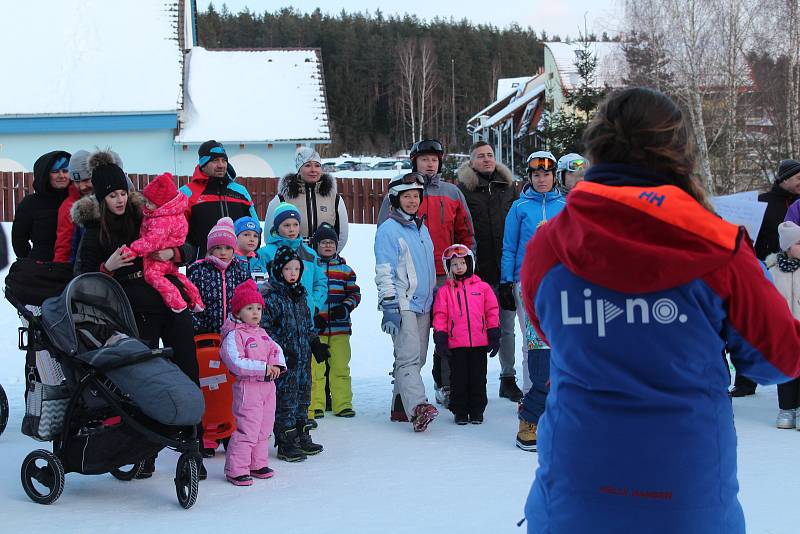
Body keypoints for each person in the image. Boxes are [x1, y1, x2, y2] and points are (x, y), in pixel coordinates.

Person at [519, 87, 800, 533]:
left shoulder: (548, 246)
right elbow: (778, 357)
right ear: (679, 150)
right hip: (687, 499)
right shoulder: (719, 246)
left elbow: (550, 330)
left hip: (575, 498)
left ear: (598, 147)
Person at [72, 150, 205, 480]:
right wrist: (108, 268)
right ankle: (144, 452)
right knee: (144, 384)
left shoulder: (145, 215)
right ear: (101, 199)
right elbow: (81, 279)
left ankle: (193, 447)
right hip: (133, 313)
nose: (118, 200)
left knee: (188, 373)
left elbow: (189, 246)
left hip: (172, 304)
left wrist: (172, 252)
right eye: (111, 196)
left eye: (121, 193)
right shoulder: (93, 232)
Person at [378, 139, 475, 408]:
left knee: (447, 333)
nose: (430, 164)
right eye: (424, 160)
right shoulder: (400, 193)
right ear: (415, 162)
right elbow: (385, 240)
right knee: (411, 343)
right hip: (409, 281)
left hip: (445, 274)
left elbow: (466, 231)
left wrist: (463, 266)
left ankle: (445, 384)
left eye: (434, 159)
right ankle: (403, 398)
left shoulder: (452, 192)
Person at [457, 141, 521, 402]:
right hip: (476, 271)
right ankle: (474, 381)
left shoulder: (508, 188)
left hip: (505, 271)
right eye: (480, 156)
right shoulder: (463, 190)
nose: (486, 160)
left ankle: (508, 378)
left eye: (490, 155)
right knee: (473, 328)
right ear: (471, 162)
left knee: (507, 328)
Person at [731, 158, 800, 397]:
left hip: (795, 271)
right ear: (784, 179)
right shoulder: (763, 203)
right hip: (765, 268)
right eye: (798, 178)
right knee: (755, 321)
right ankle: (745, 381)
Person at [375, 173, 438, 432]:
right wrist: (389, 305)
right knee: (409, 357)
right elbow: (384, 269)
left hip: (423, 302)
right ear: (396, 199)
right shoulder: (388, 230)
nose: (412, 201)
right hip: (402, 301)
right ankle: (418, 408)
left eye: (416, 196)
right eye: (406, 196)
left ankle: (399, 405)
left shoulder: (420, 227)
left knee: (416, 357)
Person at [499, 151, 566, 396]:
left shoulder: (566, 206)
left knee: (558, 339)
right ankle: (531, 393)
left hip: (559, 283)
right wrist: (506, 281)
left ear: (554, 176)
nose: (541, 179)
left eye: (546, 174)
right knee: (532, 340)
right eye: (536, 175)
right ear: (529, 177)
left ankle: (557, 390)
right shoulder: (520, 207)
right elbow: (509, 246)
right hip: (525, 282)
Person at [261, 246, 328, 461]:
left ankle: (301, 434)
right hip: (284, 362)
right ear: (279, 270)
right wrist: (280, 349)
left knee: (303, 397)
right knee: (285, 401)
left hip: (303, 361)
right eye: (288, 268)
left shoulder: (300, 296)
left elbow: (306, 325)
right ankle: (285, 441)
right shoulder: (272, 298)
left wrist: (315, 342)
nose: (292, 273)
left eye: (297, 269)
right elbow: (265, 329)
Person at [219, 279, 286, 486]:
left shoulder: (262, 333)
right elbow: (235, 362)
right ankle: (236, 468)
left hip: (268, 388)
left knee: (264, 428)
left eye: (258, 308)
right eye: (249, 308)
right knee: (248, 428)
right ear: (238, 312)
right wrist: (264, 369)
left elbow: (276, 350)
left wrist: (277, 365)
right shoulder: (234, 335)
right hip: (248, 388)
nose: (256, 312)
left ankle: (257, 463)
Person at [432, 245, 500, 425]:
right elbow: (440, 315)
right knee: (458, 379)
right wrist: (440, 337)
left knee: (478, 378)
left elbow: (492, 310)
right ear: (448, 268)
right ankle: (460, 411)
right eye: (454, 264)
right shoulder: (445, 291)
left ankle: (477, 410)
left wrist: (493, 332)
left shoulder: (483, 288)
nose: (459, 267)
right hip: (457, 344)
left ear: (470, 263)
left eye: (462, 263)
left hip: (479, 343)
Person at [129, 173, 204, 313]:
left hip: (157, 256)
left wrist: (133, 250)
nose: (146, 205)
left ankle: (177, 303)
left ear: (163, 204)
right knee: (178, 276)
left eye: (150, 203)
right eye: (146, 201)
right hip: (168, 257)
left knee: (152, 275)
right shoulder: (171, 212)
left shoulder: (162, 219)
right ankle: (196, 300)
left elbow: (152, 241)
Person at [309, 223, 361, 419]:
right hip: (318, 329)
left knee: (340, 367)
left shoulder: (346, 269)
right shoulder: (312, 268)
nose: (328, 246)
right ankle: (316, 405)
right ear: (317, 245)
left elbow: (355, 293)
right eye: (324, 242)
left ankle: (342, 404)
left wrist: (346, 307)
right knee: (317, 369)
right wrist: (315, 316)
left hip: (340, 329)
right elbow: (309, 293)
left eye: (331, 242)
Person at [180, 140, 259, 259]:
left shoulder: (240, 191)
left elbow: (255, 227)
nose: (221, 165)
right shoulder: (187, 193)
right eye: (215, 160)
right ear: (203, 163)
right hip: (201, 266)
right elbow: (177, 233)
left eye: (224, 160)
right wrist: (189, 255)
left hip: (238, 267)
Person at [265, 146, 349, 251]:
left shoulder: (334, 199)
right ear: (299, 169)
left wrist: (330, 254)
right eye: (308, 165)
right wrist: (284, 256)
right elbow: (269, 234)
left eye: (317, 166)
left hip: (323, 259)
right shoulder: (282, 198)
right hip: (291, 261)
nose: (313, 170)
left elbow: (342, 233)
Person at [257, 202, 327, 326]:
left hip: (306, 317)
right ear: (277, 227)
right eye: (286, 225)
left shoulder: (310, 254)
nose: (292, 229)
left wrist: (314, 305)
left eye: (295, 224)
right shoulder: (265, 253)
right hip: (276, 319)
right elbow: (260, 285)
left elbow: (320, 283)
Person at [187, 217, 251, 335]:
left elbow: (249, 301)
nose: (223, 252)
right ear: (210, 249)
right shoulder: (198, 272)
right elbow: (189, 302)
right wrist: (199, 327)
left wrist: (244, 325)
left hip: (236, 335)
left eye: (227, 248)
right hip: (206, 335)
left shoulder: (241, 271)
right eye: (218, 248)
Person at [765, 221, 800, 429]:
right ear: (787, 246)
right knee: (787, 370)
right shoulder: (773, 270)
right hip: (784, 329)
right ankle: (787, 408)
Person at [53, 150, 94, 264]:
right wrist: (59, 271)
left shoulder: (111, 199)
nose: (82, 186)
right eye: (76, 181)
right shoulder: (68, 207)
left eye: (86, 180)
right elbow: (64, 246)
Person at [234, 216, 268, 285]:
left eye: (255, 236)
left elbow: (265, 288)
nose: (252, 239)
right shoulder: (231, 261)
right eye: (246, 235)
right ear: (235, 237)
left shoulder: (259, 261)